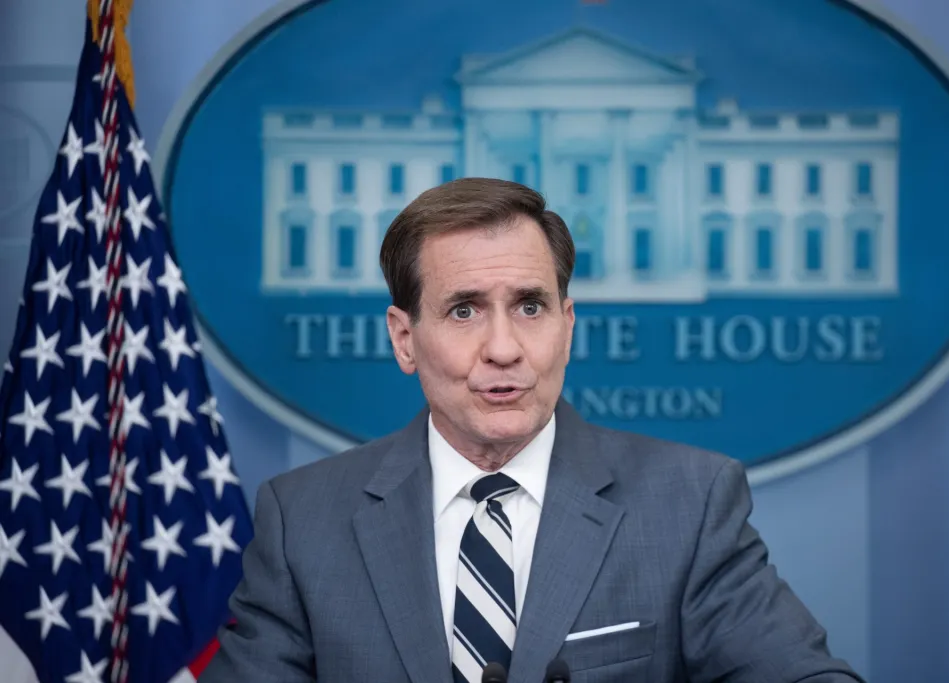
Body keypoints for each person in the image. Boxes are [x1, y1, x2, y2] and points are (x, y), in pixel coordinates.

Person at [200, 178, 864, 683]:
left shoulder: (688, 502)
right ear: (405, 339)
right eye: (464, 310)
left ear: (567, 325)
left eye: (530, 306)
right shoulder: (303, 519)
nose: (504, 347)